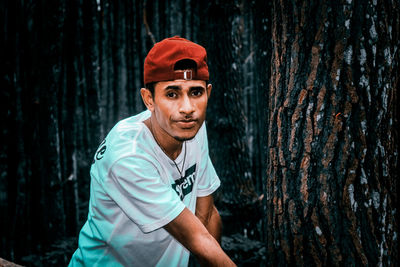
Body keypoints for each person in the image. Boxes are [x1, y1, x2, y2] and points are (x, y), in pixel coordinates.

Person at [68, 36, 236, 267]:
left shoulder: (192, 126)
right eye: (172, 94)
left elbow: (206, 214)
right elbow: (196, 237)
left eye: (196, 93)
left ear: (208, 93)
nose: (187, 108)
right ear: (149, 99)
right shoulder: (128, 156)